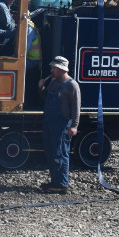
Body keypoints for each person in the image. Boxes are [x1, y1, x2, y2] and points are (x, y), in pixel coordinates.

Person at [38, 56, 80, 193]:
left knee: (60, 153)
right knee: (51, 152)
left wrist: (74, 125)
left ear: (62, 68)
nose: (51, 70)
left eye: (53, 67)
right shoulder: (53, 82)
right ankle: (55, 181)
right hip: (50, 122)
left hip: (62, 124)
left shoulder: (72, 85)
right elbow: (45, 98)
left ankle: (62, 184)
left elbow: (76, 107)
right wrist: (41, 87)